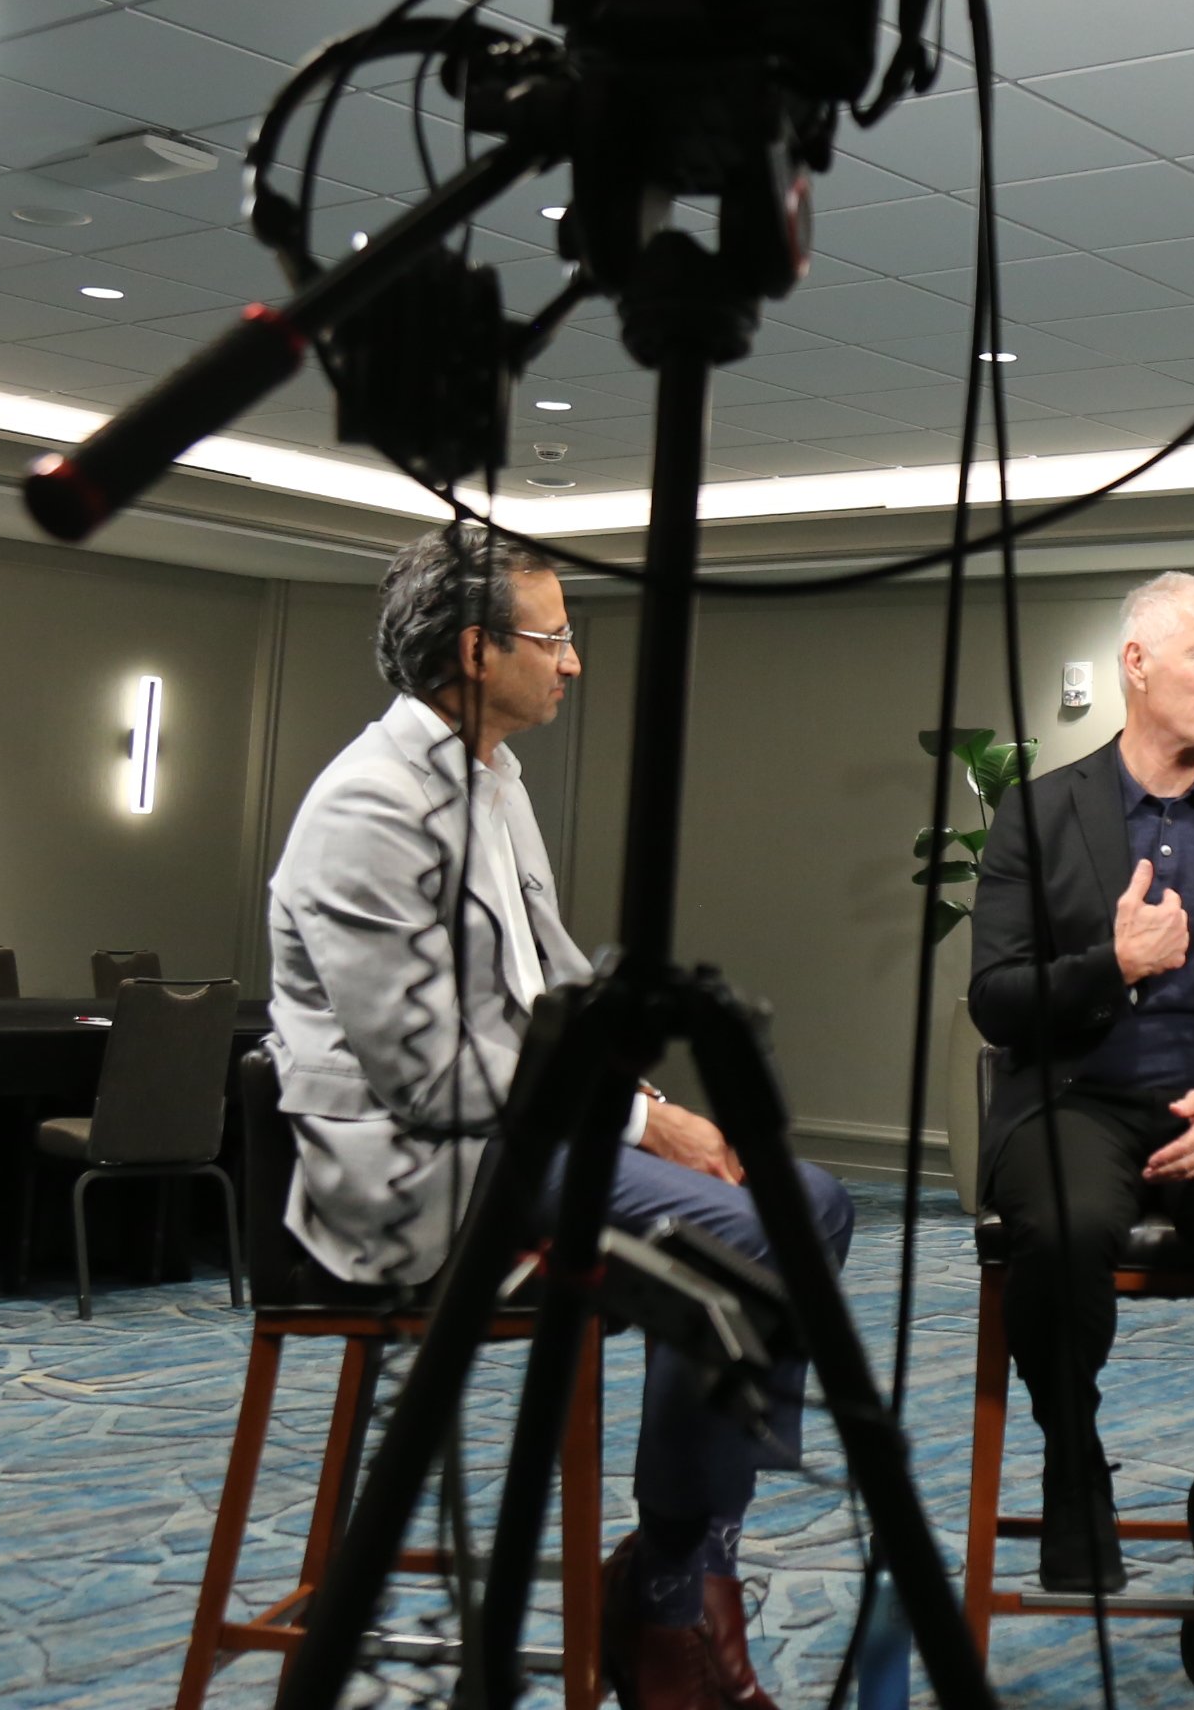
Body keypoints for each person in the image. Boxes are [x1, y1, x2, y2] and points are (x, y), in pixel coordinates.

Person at [263, 531, 851, 1710]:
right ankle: (675, 1594)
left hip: (523, 1136)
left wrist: (656, 1105)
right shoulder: (370, 806)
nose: (574, 662)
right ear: (475, 651)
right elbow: (427, 1073)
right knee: (739, 1236)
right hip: (412, 1172)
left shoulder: (492, 778)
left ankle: (679, 1560)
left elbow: (557, 992)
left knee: (813, 1198)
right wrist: (640, 1131)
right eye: (555, 636)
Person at [968, 571, 1194, 1701]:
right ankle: (1072, 1459)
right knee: (1059, 1220)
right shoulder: (1038, 812)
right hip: (1075, 1098)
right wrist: (1110, 965)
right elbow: (995, 997)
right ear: (1137, 664)